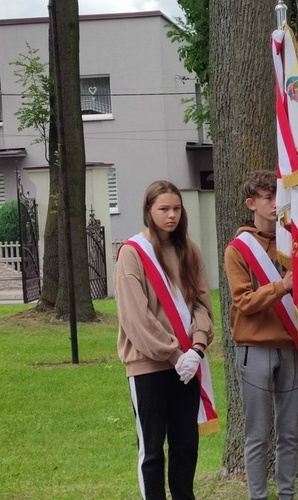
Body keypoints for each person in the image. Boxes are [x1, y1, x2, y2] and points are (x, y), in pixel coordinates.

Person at [115, 180, 215, 500]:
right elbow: (136, 317)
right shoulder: (132, 253)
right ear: (148, 211)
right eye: (163, 209)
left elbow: (201, 304)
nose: (171, 215)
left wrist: (197, 348)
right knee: (153, 450)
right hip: (149, 366)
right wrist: (174, 355)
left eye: (176, 208)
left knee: (186, 445)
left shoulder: (189, 249)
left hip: (188, 363)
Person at [224, 170, 298, 500]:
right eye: (269, 198)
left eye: (278, 198)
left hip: (291, 346)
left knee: (290, 433)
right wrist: (282, 286)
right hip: (254, 348)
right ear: (251, 203)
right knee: (258, 434)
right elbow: (243, 302)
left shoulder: (293, 243)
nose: (275, 205)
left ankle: (288, 495)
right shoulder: (238, 249)